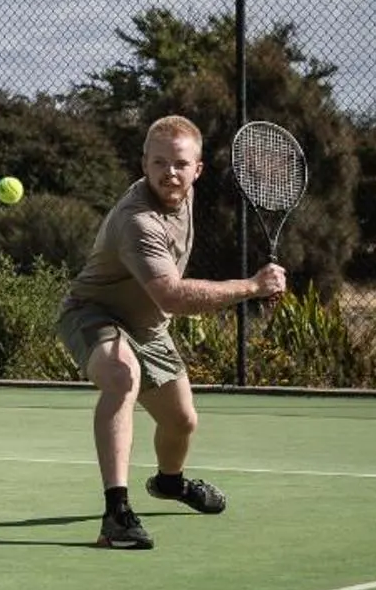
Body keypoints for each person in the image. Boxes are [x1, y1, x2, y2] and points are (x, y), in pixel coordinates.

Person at [57, 114, 286, 550]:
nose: (170, 173)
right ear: (144, 163)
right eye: (159, 162)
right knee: (122, 376)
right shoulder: (138, 221)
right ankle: (116, 514)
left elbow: (163, 304)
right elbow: (174, 297)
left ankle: (169, 482)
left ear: (197, 169)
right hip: (93, 312)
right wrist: (252, 287)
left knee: (182, 422)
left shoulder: (187, 194)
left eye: (180, 163)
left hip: (147, 323)